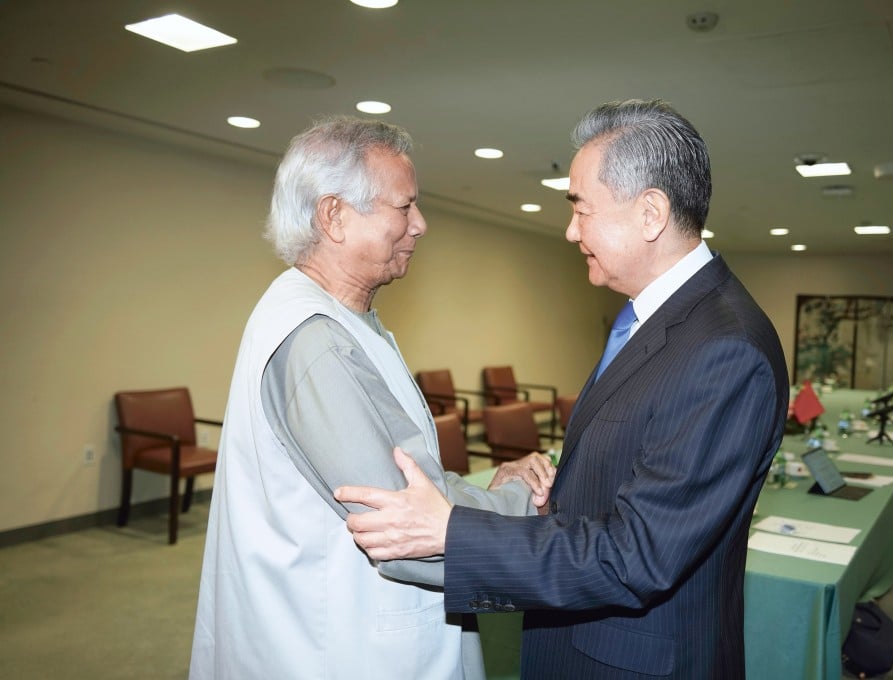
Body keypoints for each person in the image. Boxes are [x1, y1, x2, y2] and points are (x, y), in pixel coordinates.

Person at [338, 99, 790, 679]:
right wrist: (551, 489)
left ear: (650, 213)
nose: (571, 230)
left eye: (581, 207)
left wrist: (452, 531)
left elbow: (637, 555)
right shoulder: (661, 321)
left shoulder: (724, 349)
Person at [189, 115, 555, 680]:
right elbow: (400, 521)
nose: (420, 224)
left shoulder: (345, 323)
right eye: (404, 207)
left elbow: (412, 474)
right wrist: (523, 504)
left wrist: (494, 490)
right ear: (334, 215)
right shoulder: (315, 341)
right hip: (337, 647)